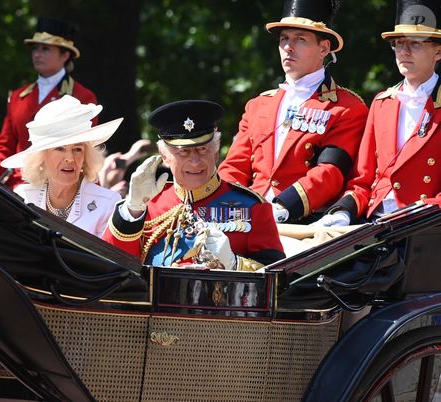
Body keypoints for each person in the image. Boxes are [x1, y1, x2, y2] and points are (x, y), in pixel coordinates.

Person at [218, 0, 369, 224]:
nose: (288, 47)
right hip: (247, 216)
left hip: (302, 218)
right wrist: (223, 205)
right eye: (284, 39)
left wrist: (282, 206)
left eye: (300, 39)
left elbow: (330, 172)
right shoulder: (258, 105)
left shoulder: (346, 107)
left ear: (324, 48)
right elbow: (234, 167)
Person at [103, 100, 285, 271]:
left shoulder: (251, 206)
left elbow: (278, 279)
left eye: (203, 149)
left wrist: (235, 264)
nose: (195, 161)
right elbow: (111, 265)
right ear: (165, 157)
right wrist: (132, 209)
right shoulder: (150, 202)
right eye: (183, 152)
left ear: (215, 152)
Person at [315, 0, 441, 227]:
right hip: (374, 224)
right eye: (398, 43)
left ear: (438, 51)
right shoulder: (382, 103)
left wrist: (420, 214)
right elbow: (362, 182)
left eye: (415, 43)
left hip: (426, 228)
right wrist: (343, 212)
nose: (404, 51)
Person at [0, 17, 98, 189]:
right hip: (19, 186)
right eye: (35, 49)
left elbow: (86, 150)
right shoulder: (18, 96)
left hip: (64, 187)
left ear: (65, 55)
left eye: (45, 49)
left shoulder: (82, 96)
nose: (37, 54)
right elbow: (5, 144)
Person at [1, 95, 122, 238]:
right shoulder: (24, 198)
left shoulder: (107, 203)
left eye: (78, 149)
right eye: (60, 149)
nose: (70, 158)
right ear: (41, 157)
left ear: (85, 157)